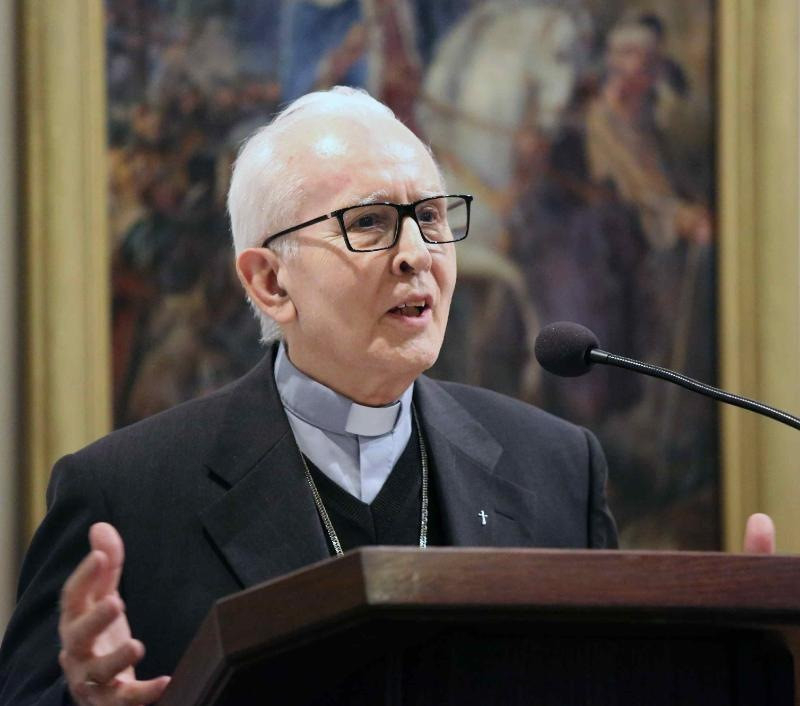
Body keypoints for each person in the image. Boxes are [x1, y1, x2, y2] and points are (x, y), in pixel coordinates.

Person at [0, 87, 773, 706]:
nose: (416, 255)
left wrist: (743, 653)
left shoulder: (557, 469)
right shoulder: (125, 495)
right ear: (269, 282)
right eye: (369, 223)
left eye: (430, 218)